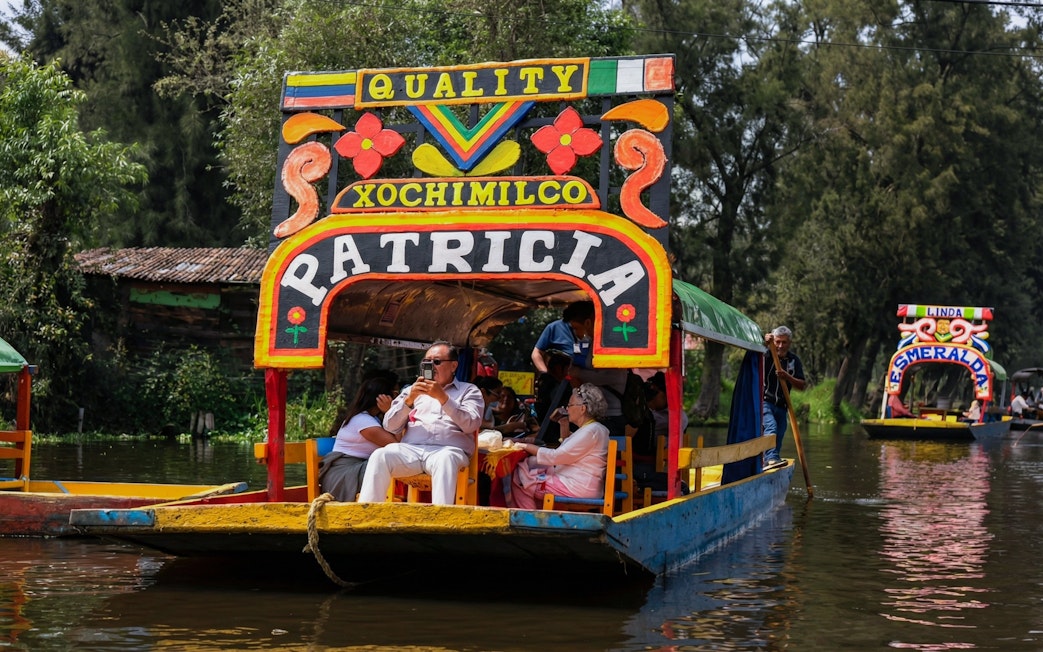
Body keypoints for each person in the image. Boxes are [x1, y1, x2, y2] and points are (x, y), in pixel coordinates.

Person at [357, 341, 484, 505]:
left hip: (449, 451)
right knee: (380, 455)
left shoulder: (469, 390)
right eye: (427, 362)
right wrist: (409, 400)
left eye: (436, 362)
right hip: (412, 451)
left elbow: (471, 425)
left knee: (445, 459)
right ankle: (368, 517)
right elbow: (390, 426)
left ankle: (441, 521)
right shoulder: (411, 390)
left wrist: (443, 398)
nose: (431, 366)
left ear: (453, 366)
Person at [508, 383, 610, 510]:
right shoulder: (595, 429)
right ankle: (540, 518)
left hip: (577, 487)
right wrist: (563, 423)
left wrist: (522, 445)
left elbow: (556, 456)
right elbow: (569, 450)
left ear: (582, 409)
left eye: (570, 405)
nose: (567, 409)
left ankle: (529, 520)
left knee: (521, 480)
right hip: (583, 485)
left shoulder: (590, 431)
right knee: (530, 467)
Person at [318, 377, 398, 502]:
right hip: (344, 475)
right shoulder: (363, 421)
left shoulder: (373, 419)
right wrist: (392, 412)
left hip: (357, 469)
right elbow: (397, 446)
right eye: (395, 395)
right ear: (381, 398)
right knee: (385, 462)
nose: (398, 399)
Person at [762, 325, 806, 467]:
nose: (780, 346)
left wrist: (787, 377)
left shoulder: (793, 360)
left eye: (784, 342)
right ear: (773, 342)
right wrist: (763, 342)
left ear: (789, 343)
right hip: (765, 402)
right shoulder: (766, 355)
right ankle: (771, 458)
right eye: (777, 342)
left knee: (779, 434)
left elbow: (802, 385)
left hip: (782, 405)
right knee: (771, 427)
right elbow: (753, 353)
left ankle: (770, 460)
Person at [531, 300, 595, 372]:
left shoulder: (599, 333)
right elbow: (536, 353)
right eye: (574, 328)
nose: (576, 333)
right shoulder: (554, 327)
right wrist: (545, 374)